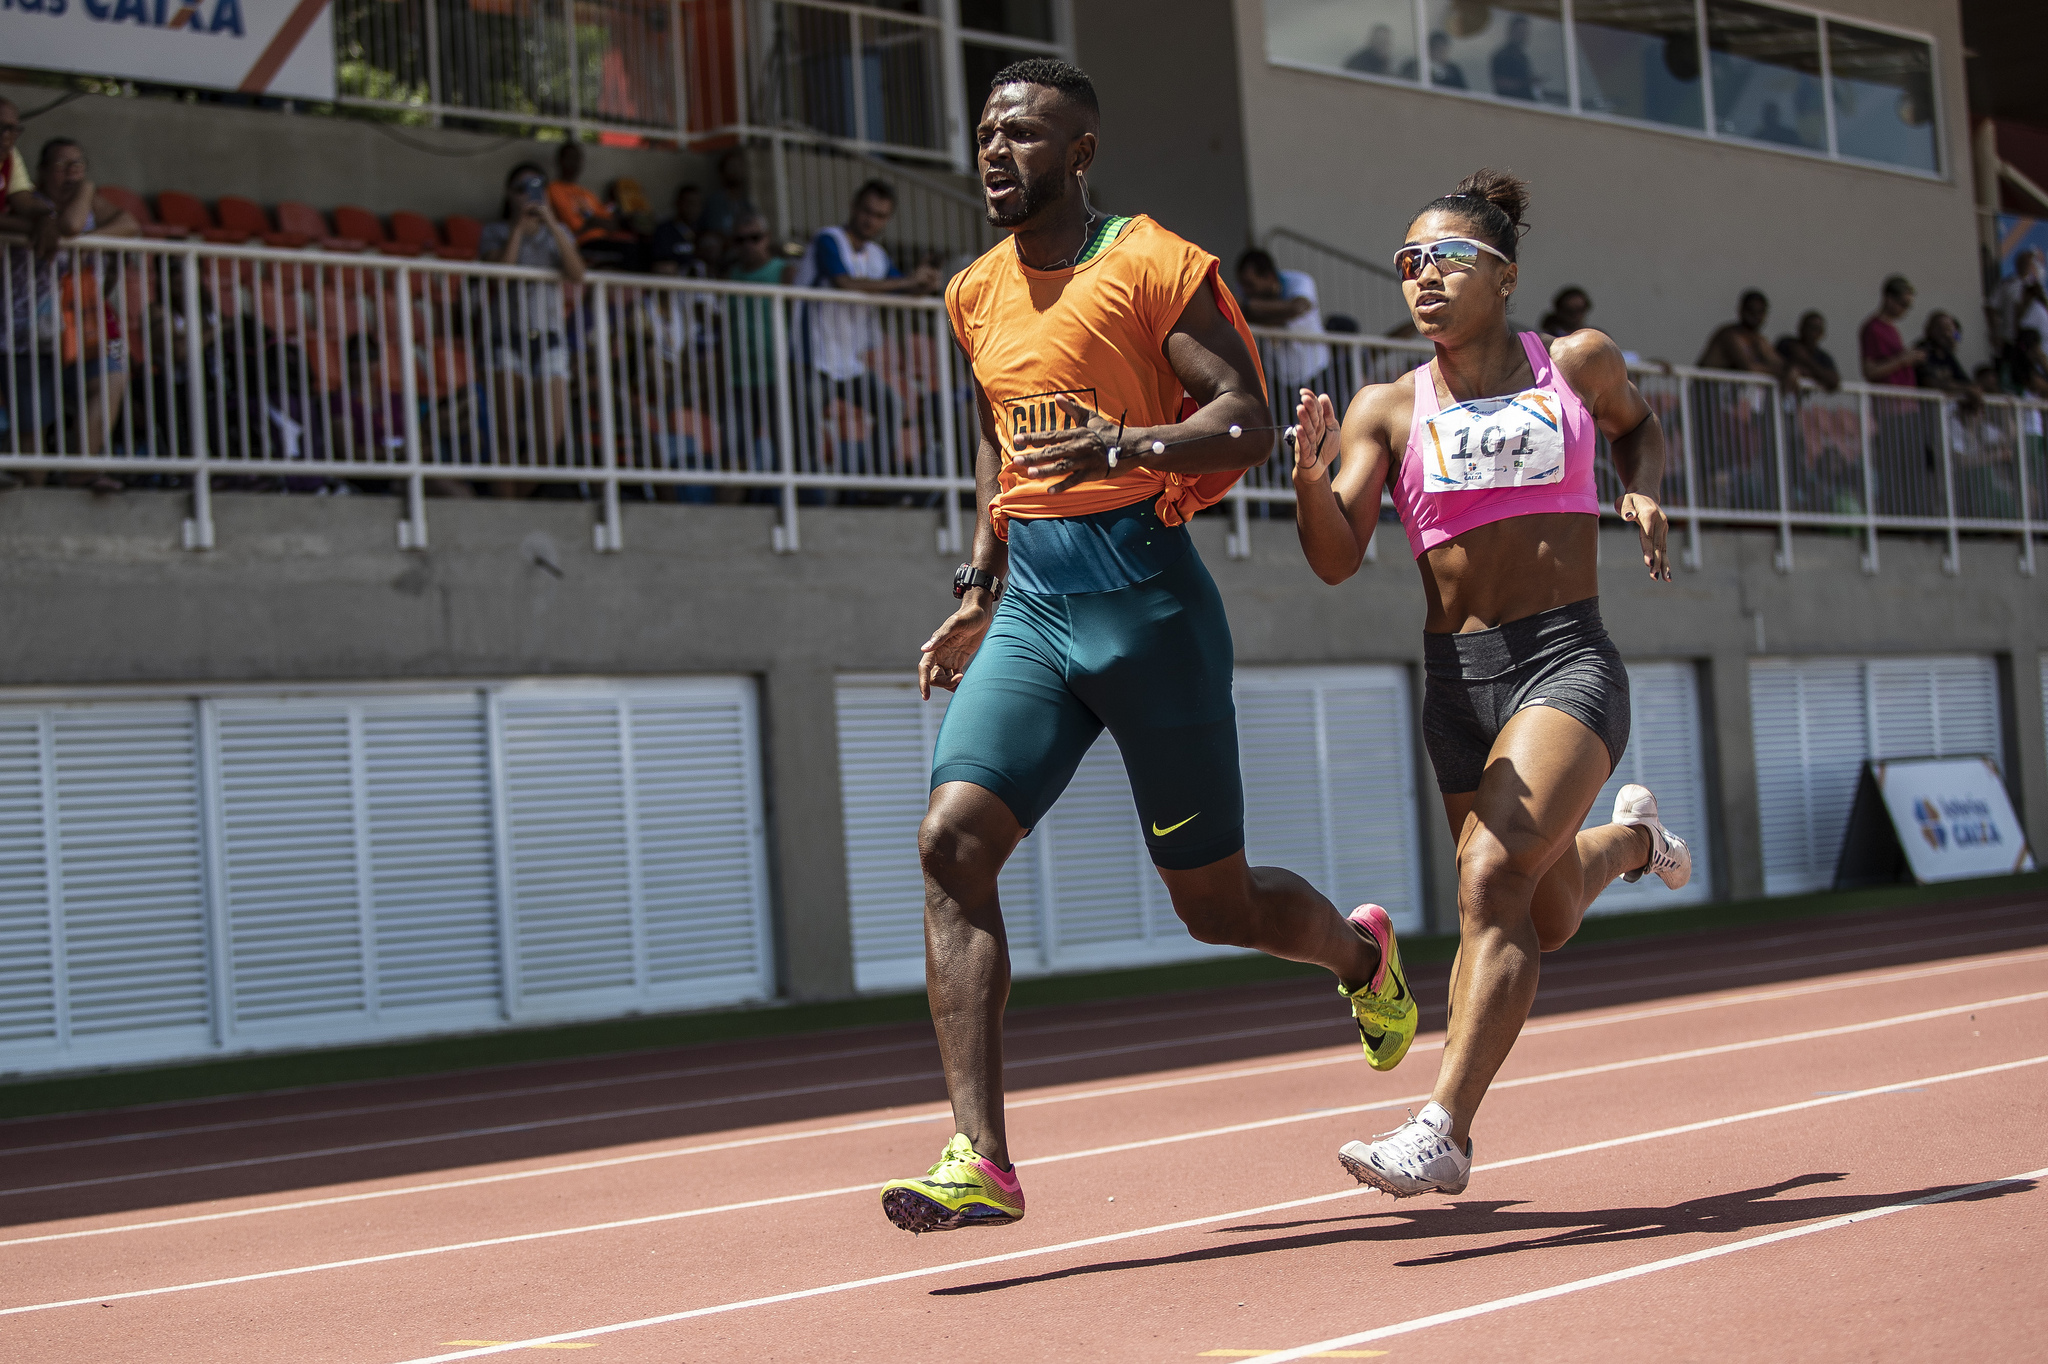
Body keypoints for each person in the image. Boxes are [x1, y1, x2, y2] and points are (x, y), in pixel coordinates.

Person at [878, 57, 1417, 1235]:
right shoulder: (971, 289)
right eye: (984, 132)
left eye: (1022, 133)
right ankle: (979, 1155)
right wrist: (980, 581)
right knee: (947, 842)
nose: (994, 151)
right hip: (1033, 610)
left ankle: (1360, 957)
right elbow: (997, 439)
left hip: (1147, 608)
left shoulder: (1152, 263)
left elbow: (1243, 416)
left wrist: (1124, 443)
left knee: (1213, 908)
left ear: (1079, 153)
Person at [1289, 169, 1690, 1199]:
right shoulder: (1386, 405)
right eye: (1407, 263)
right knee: (1541, 908)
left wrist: (1641, 491)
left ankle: (1443, 1128)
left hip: (1564, 656)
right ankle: (1637, 841)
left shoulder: (1572, 363)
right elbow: (1333, 558)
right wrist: (1304, 482)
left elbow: (1640, 428)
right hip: (1454, 683)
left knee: (1486, 888)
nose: (1422, 278)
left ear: (1503, 275)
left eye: (1446, 259)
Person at [3, 137, 139, 482]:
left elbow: (130, 225)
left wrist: (84, 239)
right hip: (26, 326)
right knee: (32, 427)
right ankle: (37, 489)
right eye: (62, 166)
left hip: (81, 318)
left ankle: (82, 468)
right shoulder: (27, 203)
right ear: (41, 172)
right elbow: (70, 225)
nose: (72, 174)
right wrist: (81, 208)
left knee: (112, 376)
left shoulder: (91, 201)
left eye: (79, 166)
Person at [793, 180, 938, 485]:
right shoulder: (827, 239)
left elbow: (901, 290)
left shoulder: (876, 254)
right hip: (811, 357)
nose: (871, 220)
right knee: (805, 428)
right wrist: (908, 282)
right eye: (868, 211)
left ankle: (871, 482)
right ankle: (811, 491)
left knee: (890, 405)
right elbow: (844, 282)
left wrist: (924, 284)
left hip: (848, 363)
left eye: (880, 215)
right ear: (854, 208)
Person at [479, 162, 587, 492]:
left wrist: (552, 223)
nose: (528, 194)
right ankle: (505, 507)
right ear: (509, 195)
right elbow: (501, 272)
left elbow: (577, 273)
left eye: (536, 186)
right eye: (520, 188)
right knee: (506, 433)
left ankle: (520, 500)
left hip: (549, 337)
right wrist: (517, 230)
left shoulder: (559, 233)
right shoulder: (495, 232)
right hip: (507, 335)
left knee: (548, 439)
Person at [1237, 247, 1330, 395]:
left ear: (1269, 276)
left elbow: (1300, 306)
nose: (1246, 291)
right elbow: (1242, 315)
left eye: (1250, 284)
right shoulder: (1249, 295)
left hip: (1315, 371)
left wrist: (1252, 307)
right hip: (1279, 377)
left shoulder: (1298, 281)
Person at [546, 142, 639, 270]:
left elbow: (612, 224)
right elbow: (574, 227)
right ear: (560, 160)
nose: (574, 162)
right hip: (579, 244)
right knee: (629, 251)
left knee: (639, 247)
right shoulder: (553, 189)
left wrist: (593, 222)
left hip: (602, 241)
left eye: (578, 158)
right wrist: (593, 222)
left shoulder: (587, 193)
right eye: (570, 157)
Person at [1697, 290, 1788, 382]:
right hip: (1707, 391)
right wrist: (1782, 373)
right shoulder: (1729, 335)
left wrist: (1793, 370)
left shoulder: (1759, 340)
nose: (1755, 316)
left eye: (1760, 312)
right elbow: (1749, 368)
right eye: (1751, 311)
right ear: (1741, 310)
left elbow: (1779, 363)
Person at [1859, 274, 1921, 386]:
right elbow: (1870, 371)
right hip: (1887, 399)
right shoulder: (1873, 328)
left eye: (1908, 306)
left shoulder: (1892, 329)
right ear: (1889, 299)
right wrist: (1902, 360)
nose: (1905, 310)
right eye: (1903, 304)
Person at [1914, 311, 1981, 410]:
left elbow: (1965, 381)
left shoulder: (1947, 355)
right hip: (1925, 412)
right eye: (1940, 329)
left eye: (1949, 330)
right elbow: (1930, 383)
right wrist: (1965, 389)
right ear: (1928, 330)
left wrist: (1973, 389)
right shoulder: (1921, 350)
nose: (1946, 333)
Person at [696, 148, 760, 242]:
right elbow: (714, 232)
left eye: (739, 166)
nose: (736, 171)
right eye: (731, 166)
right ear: (722, 172)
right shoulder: (714, 202)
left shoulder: (747, 203)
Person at [649, 184, 706, 277]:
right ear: (678, 203)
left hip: (700, 286)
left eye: (697, 204)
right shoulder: (664, 230)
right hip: (674, 285)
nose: (693, 208)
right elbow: (660, 265)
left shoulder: (703, 231)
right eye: (689, 203)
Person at [1776, 310, 1840, 391]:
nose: (1811, 333)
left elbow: (1834, 382)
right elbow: (1776, 364)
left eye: (1816, 329)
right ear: (1800, 328)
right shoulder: (1788, 345)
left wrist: (1806, 360)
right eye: (1809, 327)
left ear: (1822, 333)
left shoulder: (1823, 357)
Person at [1491, 16, 1539, 101]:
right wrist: (1526, 82)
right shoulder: (1503, 55)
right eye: (1520, 32)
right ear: (1511, 32)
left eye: (1525, 32)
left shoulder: (1523, 57)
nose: (1523, 36)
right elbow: (1501, 83)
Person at [1401, 31, 1466, 88]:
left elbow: (1462, 93)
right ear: (1429, 49)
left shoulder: (1453, 71)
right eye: (1438, 49)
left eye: (1444, 51)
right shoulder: (1414, 66)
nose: (1441, 54)